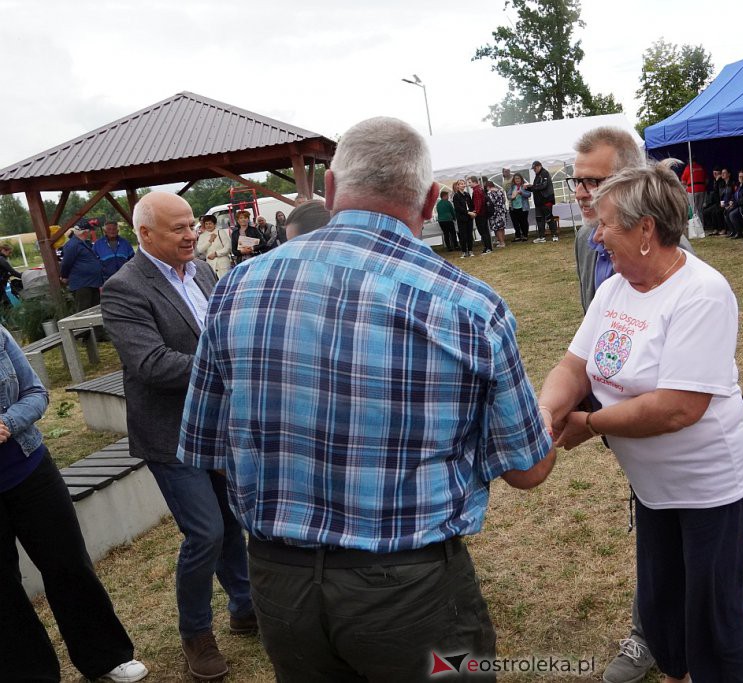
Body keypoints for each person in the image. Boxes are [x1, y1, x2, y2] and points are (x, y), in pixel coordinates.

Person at [178, 116, 556, 682]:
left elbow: (204, 441)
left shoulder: (237, 286)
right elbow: (528, 469)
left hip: (280, 585)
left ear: (329, 190)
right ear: (430, 200)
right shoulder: (470, 306)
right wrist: (548, 415)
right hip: (413, 590)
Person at [541, 163, 743, 683]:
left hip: (706, 487)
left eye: (606, 223)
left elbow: (678, 407)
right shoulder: (616, 288)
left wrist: (590, 424)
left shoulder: (701, 292)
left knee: (713, 616)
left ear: (645, 230)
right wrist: (546, 414)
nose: (596, 235)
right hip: (652, 485)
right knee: (663, 606)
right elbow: (574, 364)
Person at [102, 192, 256, 681]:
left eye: (193, 224)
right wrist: (231, 363)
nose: (191, 233)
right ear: (145, 234)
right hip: (169, 434)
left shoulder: (203, 272)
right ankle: (196, 634)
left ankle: (246, 606)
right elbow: (150, 365)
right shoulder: (123, 289)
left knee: (231, 520)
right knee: (205, 532)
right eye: (178, 228)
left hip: (214, 423)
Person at [570, 130, 692, 683]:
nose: (582, 193)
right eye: (577, 180)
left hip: (665, 429)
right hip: (616, 416)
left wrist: (593, 421)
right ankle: (663, 628)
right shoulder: (586, 240)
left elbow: (673, 394)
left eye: (595, 182)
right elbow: (591, 339)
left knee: (673, 531)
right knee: (646, 515)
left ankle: (657, 635)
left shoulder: (680, 267)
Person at [0, 326, 149, 683]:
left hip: (29, 468)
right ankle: (30, 675)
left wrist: (6, 422)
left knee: (68, 564)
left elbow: (36, 393)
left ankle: (105, 656)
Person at [60, 223, 104, 311]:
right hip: (82, 283)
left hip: (92, 282)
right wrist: (64, 276)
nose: (90, 233)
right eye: (89, 231)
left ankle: (97, 325)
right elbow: (66, 263)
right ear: (85, 232)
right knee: (84, 311)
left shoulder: (82, 243)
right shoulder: (73, 245)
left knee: (95, 309)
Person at [194, 214, 234, 279]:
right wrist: (209, 241)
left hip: (222, 263)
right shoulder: (202, 236)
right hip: (211, 264)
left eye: (210, 223)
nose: (208, 226)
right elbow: (200, 250)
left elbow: (228, 247)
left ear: (214, 224)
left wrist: (216, 254)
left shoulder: (220, 232)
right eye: (206, 224)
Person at [527, 160, 558, 242]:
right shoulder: (537, 175)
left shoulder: (544, 173)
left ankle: (554, 235)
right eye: (533, 168)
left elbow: (543, 186)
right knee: (539, 219)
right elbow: (536, 188)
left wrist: (532, 186)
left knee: (549, 218)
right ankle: (541, 237)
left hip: (546, 200)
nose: (534, 170)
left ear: (539, 166)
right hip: (538, 202)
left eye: (535, 168)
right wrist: (529, 188)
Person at [468, 175, 493, 254]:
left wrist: (476, 212)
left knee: (483, 231)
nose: (469, 184)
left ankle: (487, 248)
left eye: (470, 182)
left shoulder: (476, 190)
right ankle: (488, 247)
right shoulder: (480, 189)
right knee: (485, 231)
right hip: (483, 213)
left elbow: (478, 203)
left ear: (474, 182)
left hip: (480, 214)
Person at [452, 178, 476, 258]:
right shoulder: (456, 196)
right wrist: (468, 212)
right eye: (461, 184)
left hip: (469, 218)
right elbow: (458, 208)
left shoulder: (467, 194)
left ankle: (470, 250)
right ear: (458, 186)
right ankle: (464, 251)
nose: (463, 185)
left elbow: (471, 205)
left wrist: (473, 212)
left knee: (470, 235)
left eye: (463, 183)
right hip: (461, 218)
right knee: (463, 235)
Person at [509, 173, 532, 242]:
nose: (517, 180)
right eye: (516, 178)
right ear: (514, 180)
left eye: (518, 178)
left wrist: (521, 192)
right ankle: (518, 236)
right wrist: (512, 197)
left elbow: (529, 194)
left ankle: (525, 235)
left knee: (523, 222)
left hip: (523, 207)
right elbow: (508, 195)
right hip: (514, 207)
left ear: (521, 179)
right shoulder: (512, 187)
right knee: (515, 223)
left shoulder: (524, 186)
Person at [485, 179, 509, 248]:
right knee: (502, 227)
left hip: (495, 212)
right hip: (502, 211)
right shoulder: (500, 191)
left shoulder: (490, 193)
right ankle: (503, 241)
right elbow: (504, 200)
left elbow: (491, 202)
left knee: (497, 228)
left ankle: (501, 242)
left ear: (488, 186)